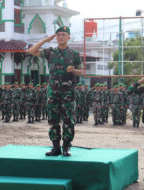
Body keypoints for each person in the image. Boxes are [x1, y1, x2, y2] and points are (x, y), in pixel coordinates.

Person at [28, 26, 83, 156]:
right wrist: (48, 39)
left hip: (68, 92)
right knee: (53, 120)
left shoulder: (74, 54)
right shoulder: (50, 52)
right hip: (53, 92)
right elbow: (31, 50)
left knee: (68, 120)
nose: (60, 37)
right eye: (58, 35)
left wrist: (73, 71)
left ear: (68, 37)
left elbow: (81, 71)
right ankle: (55, 147)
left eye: (63, 34)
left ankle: (66, 147)